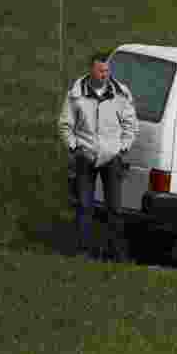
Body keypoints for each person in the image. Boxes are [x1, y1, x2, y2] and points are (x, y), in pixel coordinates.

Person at [58, 52, 138, 260]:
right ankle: (84, 252)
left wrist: (123, 148)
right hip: (86, 156)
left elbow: (130, 124)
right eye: (101, 70)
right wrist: (75, 148)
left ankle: (116, 254)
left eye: (107, 70)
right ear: (91, 70)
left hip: (112, 157)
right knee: (85, 207)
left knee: (115, 209)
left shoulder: (120, 94)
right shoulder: (76, 94)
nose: (105, 74)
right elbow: (65, 125)